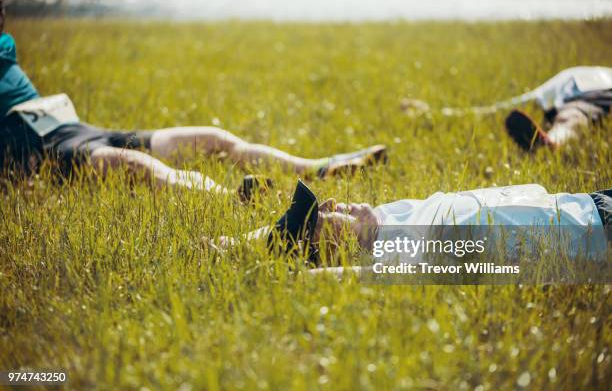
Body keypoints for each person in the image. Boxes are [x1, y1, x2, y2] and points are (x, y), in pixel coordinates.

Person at [0, 1, 386, 200]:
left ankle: (321, 168)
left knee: (213, 138)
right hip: (43, 149)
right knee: (136, 165)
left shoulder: (6, 45)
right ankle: (232, 199)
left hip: (75, 127)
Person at [214, 180, 611, 270]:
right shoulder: (404, 254)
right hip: (598, 226)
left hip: (583, 201)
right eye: (322, 216)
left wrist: (231, 243)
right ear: (331, 246)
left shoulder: (388, 220)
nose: (334, 203)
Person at [502, 67, 612, 151]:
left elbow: (532, 96)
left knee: (572, 118)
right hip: (589, 101)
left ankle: (553, 140)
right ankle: (552, 140)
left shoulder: (569, 75)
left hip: (584, 100)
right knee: (573, 118)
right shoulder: (600, 72)